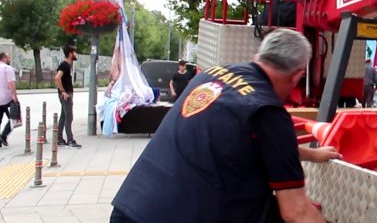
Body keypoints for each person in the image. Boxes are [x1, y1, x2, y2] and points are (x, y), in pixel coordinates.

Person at [111, 29, 341, 223]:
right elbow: (296, 211)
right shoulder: (267, 110)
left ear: (258, 56)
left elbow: (249, 143)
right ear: (297, 76)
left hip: (132, 207)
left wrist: (312, 154)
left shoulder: (211, 75)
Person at [54, 45, 80, 148]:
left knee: (63, 116)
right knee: (69, 116)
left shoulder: (66, 65)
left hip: (66, 94)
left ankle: (59, 138)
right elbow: (57, 78)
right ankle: (70, 140)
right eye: (74, 52)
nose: (76, 54)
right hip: (66, 95)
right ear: (70, 53)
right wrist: (63, 91)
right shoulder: (65, 65)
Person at [0, 52, 18, 147]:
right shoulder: (8, 68)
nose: (10, 60)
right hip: (7, 98)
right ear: (4, 58)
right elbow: (11, 83)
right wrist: (14, 96)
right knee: (14, 118)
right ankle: (3, 135)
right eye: (8, 58)